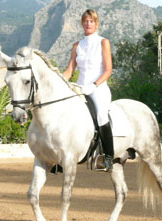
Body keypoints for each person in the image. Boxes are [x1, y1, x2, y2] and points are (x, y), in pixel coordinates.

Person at [63, 9, 114, 171]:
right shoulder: (77, 45)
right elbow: (69, 71)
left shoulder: (103, 42)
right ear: (82, 23)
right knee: (64, 113)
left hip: (98, 88)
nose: (88, 23)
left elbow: (108, 70)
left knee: (100, 114)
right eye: (85, 21)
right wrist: (58, 81)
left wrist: (93, 85)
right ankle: (60, 156)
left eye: (91, 21)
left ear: (96, 23)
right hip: (79, 88)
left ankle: (108, 157)